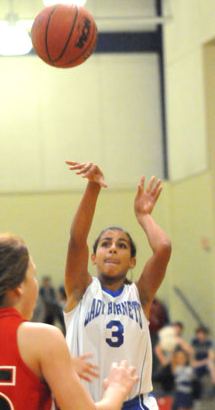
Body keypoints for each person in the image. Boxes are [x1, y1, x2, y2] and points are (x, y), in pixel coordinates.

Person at [64, 161, 172, 410]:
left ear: (133, 261)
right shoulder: (80, 290)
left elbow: (163, 248)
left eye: (121, 245)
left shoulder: (141, 295)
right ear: (93, 257)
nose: (113, 247)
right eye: (105, 243)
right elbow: (77, 239)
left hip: (135, 403)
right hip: (85, 403)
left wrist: (144, 216)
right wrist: (93, 188)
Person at [0, 233, 139, 410]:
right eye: (33, 274)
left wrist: (58, 368)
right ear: (19, 286)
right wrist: (117, 389)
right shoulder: (42, 339)